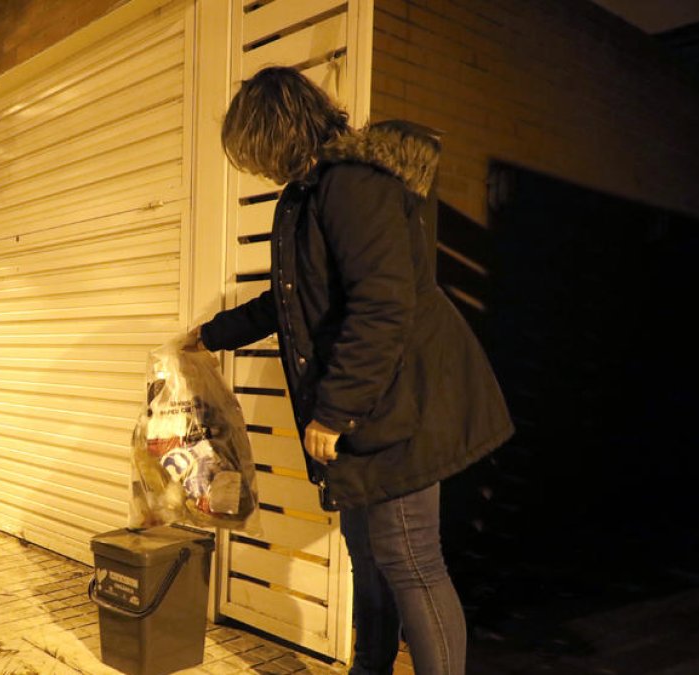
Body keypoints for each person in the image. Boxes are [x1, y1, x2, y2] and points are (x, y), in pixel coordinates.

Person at [191, 67, 514, 675]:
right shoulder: (308, 193)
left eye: (253, 148)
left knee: (411, 558)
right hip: (375, 397)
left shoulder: (351, 186)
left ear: (276, 130)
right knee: (368, 553)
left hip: (399, 402)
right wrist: (210, 336)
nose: (255, 166)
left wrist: (335, 411)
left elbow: (382, 305)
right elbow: (292, 298)